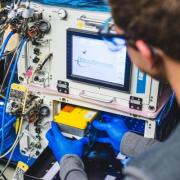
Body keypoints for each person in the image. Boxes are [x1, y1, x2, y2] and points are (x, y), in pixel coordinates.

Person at [46, 0, 180, 179]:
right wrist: (129, 142)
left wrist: (69, 161)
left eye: (118, 41)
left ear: (146, 52)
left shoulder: (145, 174)